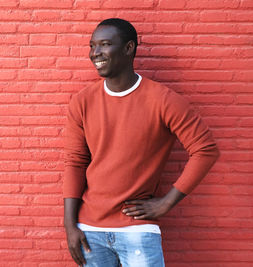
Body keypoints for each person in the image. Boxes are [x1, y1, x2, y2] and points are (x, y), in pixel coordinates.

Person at [63, 18, 220, 267]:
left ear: (128, 48)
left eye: (104, 45)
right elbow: (75, 162)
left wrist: (167, 202)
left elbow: (205, 150)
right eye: (92, 46)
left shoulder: (163, 100)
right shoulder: (82, 102)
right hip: (89, 232)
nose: (95, 53)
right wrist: (70, 226)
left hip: (137, 231)